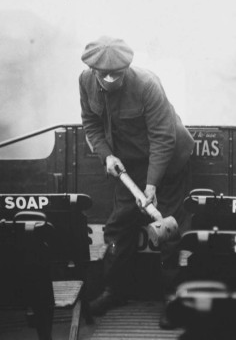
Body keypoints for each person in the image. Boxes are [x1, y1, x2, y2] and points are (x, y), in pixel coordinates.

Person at [79, 36, 194, 328]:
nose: (108, 78)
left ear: (126, 68)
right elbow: (91, 123)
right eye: (102, 73)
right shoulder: (85, 81)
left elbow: (163, 139)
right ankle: (113, 291)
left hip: (166, 162)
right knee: (119, 226)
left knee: (168, 230)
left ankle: (171, 298)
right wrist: (106, 156)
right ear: (92, 69)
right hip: (127, 167)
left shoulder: (146, 85)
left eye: (116, 73)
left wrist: (152, 185)